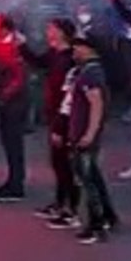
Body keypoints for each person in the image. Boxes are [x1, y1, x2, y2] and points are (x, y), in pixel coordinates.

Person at [28, 19, 81, 226]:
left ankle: (72, 211)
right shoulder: (54, 54)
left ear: (62, 33)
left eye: (51, 29)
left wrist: (60, 125)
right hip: (54, 116)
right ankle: (60, 203)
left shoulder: (69, 60)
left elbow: (68, 98)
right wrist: (21, 45)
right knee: (58, 163)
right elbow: (38, 61)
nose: (47, 32)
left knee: (67, 164)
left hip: (66, 118)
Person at [67, 35, 117, 245]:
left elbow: (96, 105)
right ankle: (108, 216)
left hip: (84, 135)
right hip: (83, 133)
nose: (74, 51)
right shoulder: (90, 71)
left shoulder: (91, 74)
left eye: (77, 47)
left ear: (88, 49)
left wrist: (89, 133)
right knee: (94, 176)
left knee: (88, 181)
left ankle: (96, 226)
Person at [0, 15, 29, 202]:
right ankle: (12, 180)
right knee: (6, 141)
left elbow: (19, 77)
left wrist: (4, 95)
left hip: (13, 102)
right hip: (2, 99)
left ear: (5, 29)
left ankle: (17, 184)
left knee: (13, 143)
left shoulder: (15, 48)